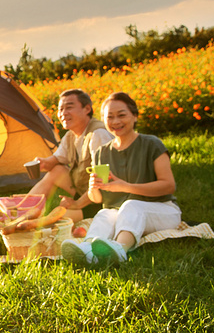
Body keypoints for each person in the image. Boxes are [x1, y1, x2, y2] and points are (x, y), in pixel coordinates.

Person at [61, 92, 181, 267]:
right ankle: (88, 250)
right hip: (122, 212)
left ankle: (120, 249)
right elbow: (98, 199)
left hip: (163, 210)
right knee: (104, 213)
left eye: (121, 115)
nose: (116, 121)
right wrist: (94, 188)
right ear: (104, 121)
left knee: (131, 205)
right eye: (110, 117)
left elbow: (168, 186)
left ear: (134, 116)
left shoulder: (151, 144)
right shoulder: (102, 152)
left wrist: (126, 187)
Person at [28, 89, 113, 222]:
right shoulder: (71, 136)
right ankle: (24, 211)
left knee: (55, 220)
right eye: (60, 109)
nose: (63, 113)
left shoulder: (98, 134)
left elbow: (103, 182)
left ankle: (29, 222)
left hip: (103, 201)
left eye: (69, 107)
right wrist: (43, 163)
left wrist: (77, 204)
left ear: (87, 109)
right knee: (57, 170)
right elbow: (55, 160)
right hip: (86, 191)